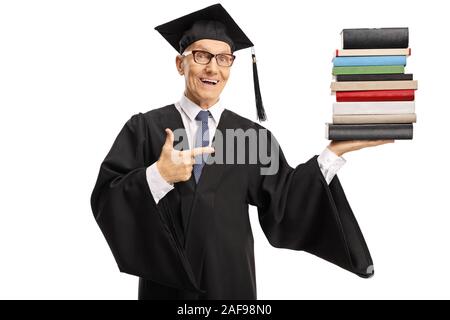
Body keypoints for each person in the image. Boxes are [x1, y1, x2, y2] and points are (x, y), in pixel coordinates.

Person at [90, 3, 393, 300]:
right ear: (180, 64)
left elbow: (287, 202)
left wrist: (332, 153)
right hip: (166, 289)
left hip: (231, 287)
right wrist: (157, 176)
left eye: (224, 58)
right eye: (201, 55)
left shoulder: (252, 137)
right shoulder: (144, 129)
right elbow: (106, 199)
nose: (213, 67)